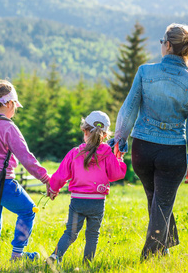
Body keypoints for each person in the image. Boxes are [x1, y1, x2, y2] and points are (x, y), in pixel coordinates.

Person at [109, 23, 188, 259]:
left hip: (142, 150)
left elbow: (128, 109)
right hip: (172, 153)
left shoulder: (145, 72)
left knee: (156, 201)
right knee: (162, 203)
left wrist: (120, 141)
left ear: (167, 45)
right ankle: (150, 256)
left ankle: (165, 246)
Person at [0, 79, 51, 262]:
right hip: (3, 184)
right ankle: (18, 254)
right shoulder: (8, 127)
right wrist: (46, 179)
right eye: (15, 106)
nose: (15, 110)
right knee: (28, 211)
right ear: (9, 103)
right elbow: (26, 157)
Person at [46, 111, 126, 264]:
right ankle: (86, 264)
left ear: (85, 131)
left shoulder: (75, 152)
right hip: (97, 202)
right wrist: (119, 159)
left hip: (78, 201)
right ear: (104, 135)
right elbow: (116, 174)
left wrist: (54, 189)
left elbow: (60, 175)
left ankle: (55, 257)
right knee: (92, 234)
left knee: (70, 233)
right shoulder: (108, 153)